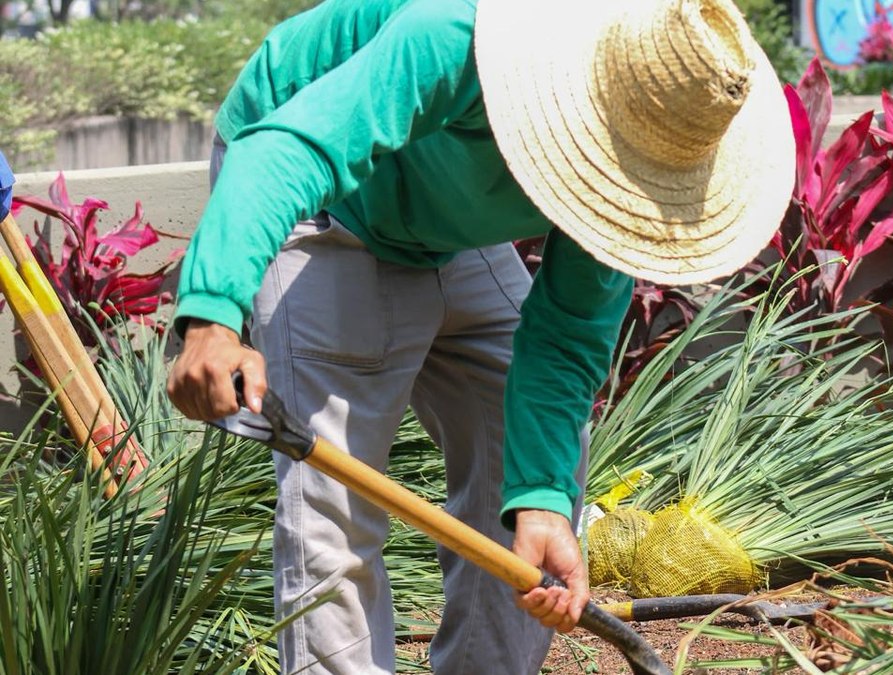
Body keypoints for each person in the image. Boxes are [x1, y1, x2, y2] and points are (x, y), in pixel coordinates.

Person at [166, 0, 794, 672]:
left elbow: (565, 340)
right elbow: (293, 148)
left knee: (528, 480)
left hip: (440, 213)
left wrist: (545, 503)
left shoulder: (642, 157)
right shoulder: (459, 36)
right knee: (335, 510)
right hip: (322, 191)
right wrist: (212, 316)